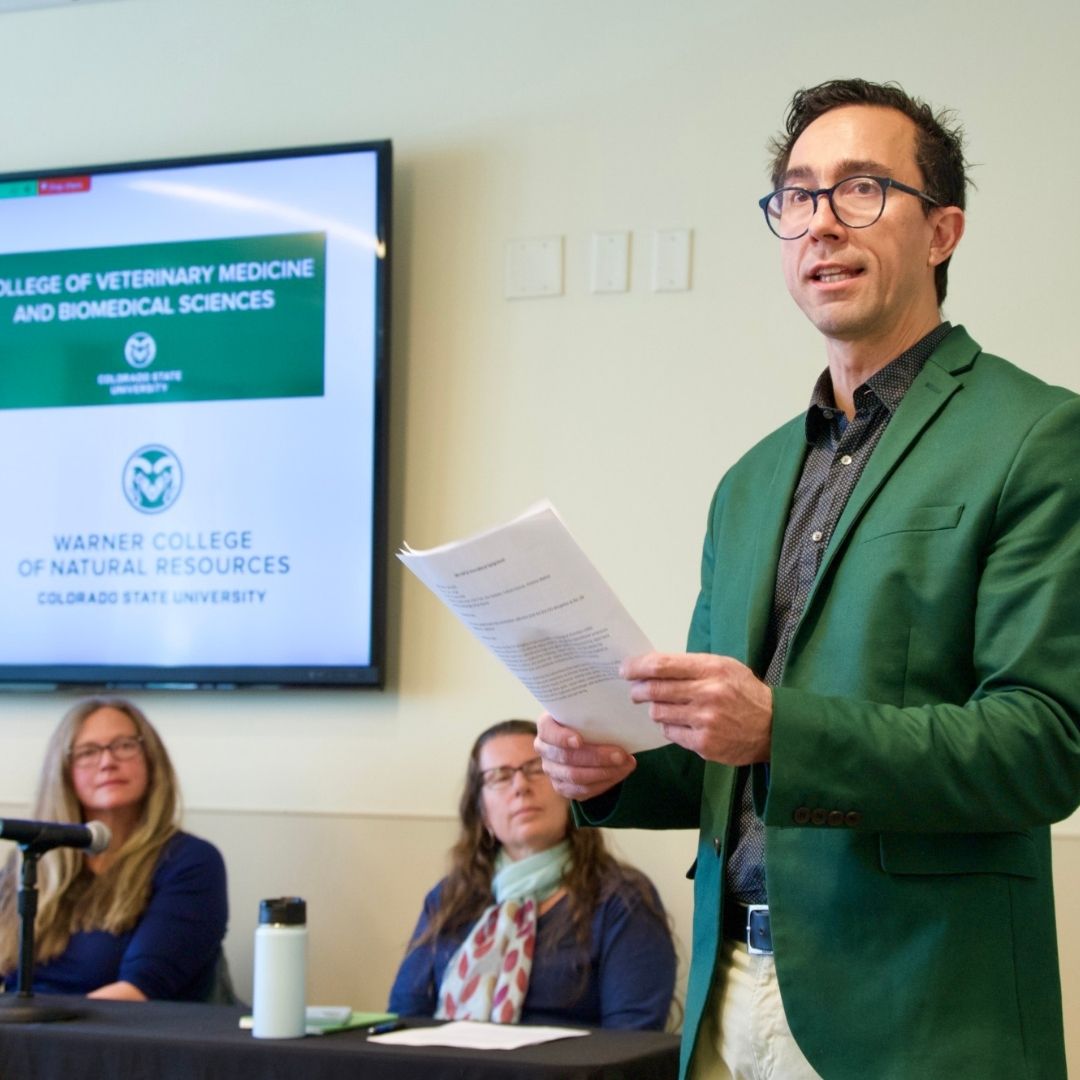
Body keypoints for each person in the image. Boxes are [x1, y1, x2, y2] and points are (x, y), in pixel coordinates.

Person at [536, 77, 1080, 1080]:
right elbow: (721, 747)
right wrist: (615, 771)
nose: (821, 222)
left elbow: (1047, 744)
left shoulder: (1035, 436)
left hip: (918, 1007)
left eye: (863, 189)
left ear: (943, 231)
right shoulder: (749, 482)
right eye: (798, 196)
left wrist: (783, 729)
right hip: (724, 993)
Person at [388, 718, 677, 1029]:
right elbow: (405, 1017)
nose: (520, 787)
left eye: (536, 769)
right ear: (482, 811)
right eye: (499, 776)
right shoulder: (448, 898)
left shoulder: (623, 900)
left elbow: (634, 1040)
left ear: (568, 789)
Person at [0, 697, 229, 1001]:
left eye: (124, 746)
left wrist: (38, 1035)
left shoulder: (190, 862)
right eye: (88, 752)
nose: (107, 762)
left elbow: (139, 990)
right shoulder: (30, 859)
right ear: (63, 771)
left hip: (120, 1040)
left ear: (150, 759)